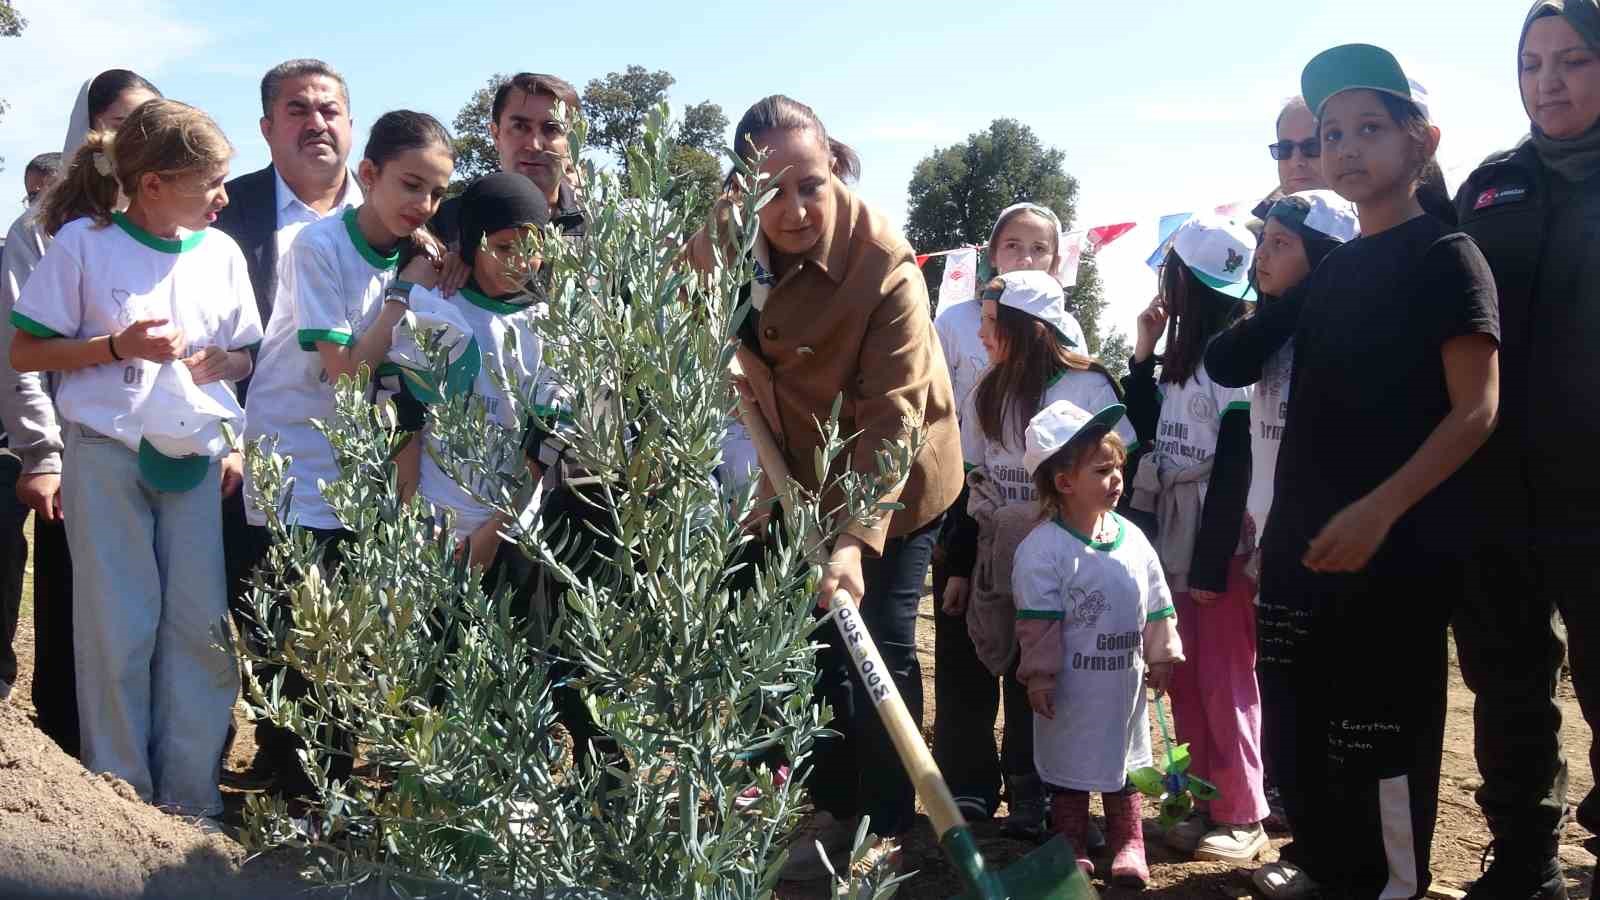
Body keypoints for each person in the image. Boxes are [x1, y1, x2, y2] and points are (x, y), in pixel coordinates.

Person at [686, 94, 962, 880]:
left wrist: (851, 540)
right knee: (808, 649)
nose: (796, 209)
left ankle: (890, 823)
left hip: (897, 485)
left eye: (810, 183)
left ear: (833, 163)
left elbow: (893, 418)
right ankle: (829, 805)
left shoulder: (883, 264)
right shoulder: (720, 243)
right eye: (770, 191)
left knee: (879, 636)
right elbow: (685, 306)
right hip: (795, 473)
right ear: (742, 189)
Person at [1251, 45, 1500, 899]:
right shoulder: (1335, 268)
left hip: (1391, 554)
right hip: (1302, 545)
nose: (1346, 148)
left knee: (1376, 735)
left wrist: (1378, 512)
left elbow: (1476, 410)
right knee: (1303, 727)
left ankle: (1390, 884)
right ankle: (1323, 865)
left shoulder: (1448, 255)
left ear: (1420, 141)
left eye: (1369, 128)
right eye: (1330, 133)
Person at [11, 98, 262, 822]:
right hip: (107, 453)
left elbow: (243, 355)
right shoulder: (84, 247)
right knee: (119, 625)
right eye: (210, 181)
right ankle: (121, 797)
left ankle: (190, 800)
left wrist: (229, 376)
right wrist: (117, 347)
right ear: (153, 184)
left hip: (192, 456)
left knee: (198, 627)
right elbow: (27, 349)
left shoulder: (220, 253)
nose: (223, 196)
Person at [240, 110, 453, 798]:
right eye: (410, 184)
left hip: (363, 469)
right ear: (368, 175)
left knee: (351, 631)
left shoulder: (416, 255)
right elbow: (347, 372)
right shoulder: (319, 245)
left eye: (436, 192)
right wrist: (400, 295)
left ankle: (322, 785)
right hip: (295, 459)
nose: (423, 204)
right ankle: (300, 790)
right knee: (304, 633)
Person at [1453, 2, 1600, 897]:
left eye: (1574, 61)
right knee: (1507, 677)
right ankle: (1524, 855)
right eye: (1533, 63)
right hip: (1500, 480)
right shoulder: (1489, 184)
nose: (1548, 82)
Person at [0, 69, 161, 758]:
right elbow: (21, 349)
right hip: (72, 447)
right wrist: (44, 452)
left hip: (151, 451)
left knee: (137, 605)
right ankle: (67, 744)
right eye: (126, 121)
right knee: (71, 602)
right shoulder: (42, 230)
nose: (137, 138)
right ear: (90, 128)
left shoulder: (163, 220)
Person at [209, 57, 360, 787]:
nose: (316, 123)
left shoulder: (404, 212)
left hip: (372, 460)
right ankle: (278, 755)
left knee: (354, 616)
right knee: (266, 610)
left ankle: (338, 766)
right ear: (267, 128)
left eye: (329, 109)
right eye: (297, 111)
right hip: (257, 455)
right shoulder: (225, 214)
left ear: (352, 125)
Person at [938, 269, 1128, 839]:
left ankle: (1051, 797)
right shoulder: (987, 392)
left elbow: (1117, 476)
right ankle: (1016, 786)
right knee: (1007, 661)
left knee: (1050, 679)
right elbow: (975, 486)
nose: (982, 336)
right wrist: (962, 567)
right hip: (1002, 556)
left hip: (1070, 558)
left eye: (993, 324)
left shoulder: (1090, 387)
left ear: (1027, 327)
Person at [930, 202, 1089, 830]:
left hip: (1045, 523)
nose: (1026, 257)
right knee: (966, 642)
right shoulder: (955, 322)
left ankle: (1034, 782)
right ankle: (968, 780)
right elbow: (938, 410)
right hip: (968, 504)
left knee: (1037, 654)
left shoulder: (1067, 332)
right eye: (1014, 246)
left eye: (1040, 249)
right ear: (991, 252)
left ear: (1057, 259)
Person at [1124, 214, 1268, 865]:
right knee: (1182, 679)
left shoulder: (1232, 357)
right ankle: (1196, 802)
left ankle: (1242, 815)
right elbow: (1154, 430)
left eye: (1170, 274)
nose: (1163, 285)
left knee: (1225, 679)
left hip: (1216, 548)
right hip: (1178, 541)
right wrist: (1142, 353)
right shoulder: (1184, 360)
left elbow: (1236, 459)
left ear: (1189, 283)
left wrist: (1213, 566)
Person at [1014, 399, 1182, 886]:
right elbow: (1038, 622)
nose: (1116, 479)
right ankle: (1070, 842)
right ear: (1064, 483)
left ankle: (1129, 842)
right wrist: (1041, 677)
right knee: (1069, 766)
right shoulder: (1043, 550)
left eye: (1118, 468)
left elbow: (1157, 599)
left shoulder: (1133, 539)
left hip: (1121, 687)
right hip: (1071, 688)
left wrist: (1161, 653)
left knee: (1123, 759)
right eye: (1102, 470)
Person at [0, 153, 62, 704]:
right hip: (17, 433)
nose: (39, 206)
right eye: (31, 195)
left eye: (48, 192)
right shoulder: (18, 249)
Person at [433, 73, 585, 257]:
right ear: (496, 135)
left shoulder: (601, 228)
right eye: (520, 127)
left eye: (551, 129)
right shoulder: (447, 224)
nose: (535, 145)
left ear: (573, 141)